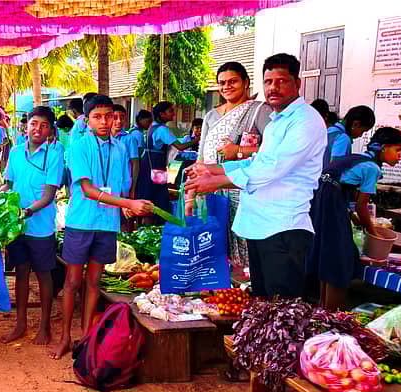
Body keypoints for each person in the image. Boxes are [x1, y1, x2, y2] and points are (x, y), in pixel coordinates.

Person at [186, 53, 327, 298]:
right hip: (260, 224)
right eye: (269, 82)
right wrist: (214, 169)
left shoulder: (306, 121)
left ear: (297, 83)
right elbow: (258, 160)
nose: (273, 87)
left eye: (281, 81)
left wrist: (218, 180)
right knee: (261, 301)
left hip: (283, 226)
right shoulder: (276, 121)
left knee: (280, 308)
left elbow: (274, 167)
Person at [52, 97, 154, 360]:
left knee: (94, 282)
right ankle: (65, 336)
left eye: (110, 116)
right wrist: (126, 202)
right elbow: (87, 190)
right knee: (73, 281)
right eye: (98, 116)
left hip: (106, 224)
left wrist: (126, 207)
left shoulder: (120, 148)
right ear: (87, 119)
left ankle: (86, 337)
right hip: (81, 221)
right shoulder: (79, 146)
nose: (106, 122)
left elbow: (119, 187)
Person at [308, 127, 401, 311]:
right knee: (341, 258)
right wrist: (373, 230)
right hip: (330, 202)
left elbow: (343, 189)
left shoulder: (356, 158)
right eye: (398, 150)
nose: (400, 156)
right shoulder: (371, 168)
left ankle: (323, 308)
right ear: (384, 148)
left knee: (327, 253)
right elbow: (362, 206)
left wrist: (351, 217)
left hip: (320, 201)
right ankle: (333, 314)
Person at [0, 106, 64, 346]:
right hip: (17, 226)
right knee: (21, 273)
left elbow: (48, 196)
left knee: (44, 275)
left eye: (44, 125)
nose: (38, 129)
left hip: (40, 226)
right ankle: (20, 323)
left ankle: (44, 327)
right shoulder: (15, 152)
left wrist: (27, 212)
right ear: (27, 125)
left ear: (50, 130)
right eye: (34, 123)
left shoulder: (53, 155)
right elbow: (8, 184)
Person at [197, 61, 273, 270]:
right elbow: (202, 155)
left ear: (245, 82)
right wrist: (195, 181)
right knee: (215, 241)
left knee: (247, 244)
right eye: (222, 83)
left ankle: (249, 289)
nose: (227, 87)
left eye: (233, 81)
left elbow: (274, 151)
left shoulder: (259, 110)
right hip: (213, 189)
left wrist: (239, 150)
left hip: (244, 188)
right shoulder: (212, 115)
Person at [136, 101, 199, 221]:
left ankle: (146, 224)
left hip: (147, 165)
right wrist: (196, 140)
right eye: (170, 111)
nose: (174, 114)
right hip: (156, 167)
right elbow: (180, 147)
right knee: (159, 198)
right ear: (162, 114)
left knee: (148, 196)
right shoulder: (162, 130)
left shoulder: (151, 127)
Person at [124, 109, 153, 199]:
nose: (149, 124)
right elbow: (139, 152)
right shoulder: (138, 134)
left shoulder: (133, 131)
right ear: (141, 120)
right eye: (148, 121)